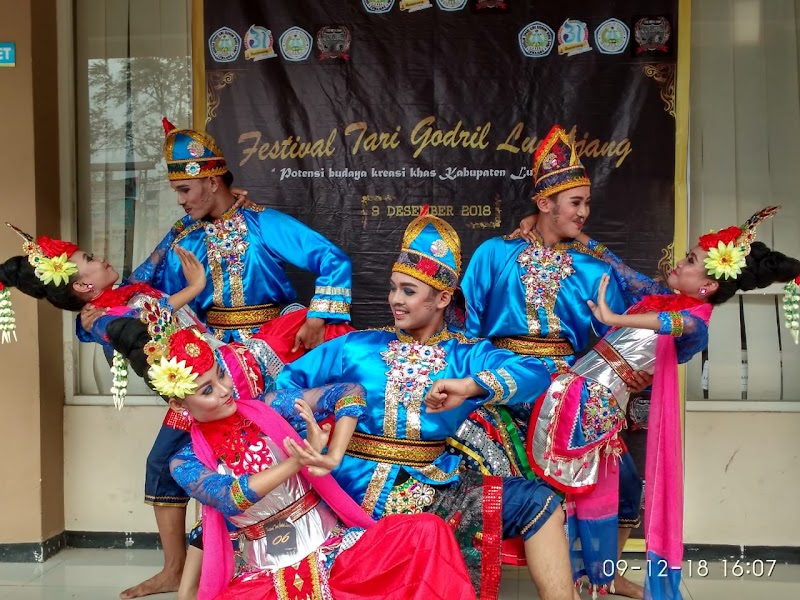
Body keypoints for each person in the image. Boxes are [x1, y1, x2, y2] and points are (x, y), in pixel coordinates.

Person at [277, 208, 578, 600]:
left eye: (408, 291)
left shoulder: (464, 356)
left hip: (436, 488)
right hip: (351, 487)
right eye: (393, 287)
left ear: (442, 298)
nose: (394, 301)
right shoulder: (358, 346)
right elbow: (283, 388)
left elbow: (535, 371)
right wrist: (323, 410)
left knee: (538, 502)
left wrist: (471, 386)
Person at [526, 206, 800, 599]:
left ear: (706, 286)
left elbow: (673, 326)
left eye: (690, 261)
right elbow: (617, 267)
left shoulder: (696, 324)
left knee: (613, 491)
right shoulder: (658, 297)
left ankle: (596, 577)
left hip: (593, 406)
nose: (680, 262)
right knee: (604, 490)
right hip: (581, 395)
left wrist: (614, 318)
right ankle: (587, 577)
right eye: (687, 254)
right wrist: (577, 235)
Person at [146, 323, 476, 600]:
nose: (224, 390)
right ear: (180, 405)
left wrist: (331, 453)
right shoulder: (184, 461)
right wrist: (296, 461)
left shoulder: (271, 406)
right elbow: (230, 497)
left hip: (335, 551)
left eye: (222, 376)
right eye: (207, 390)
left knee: (426, 531)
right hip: (267, 576)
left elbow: (350, 392)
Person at [456, 124, 649, 596]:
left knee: (623, 477)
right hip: (496, 377)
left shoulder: (595, 267)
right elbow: (467, 327)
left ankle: (599, 574)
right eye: (576, 203)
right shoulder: (492, 254)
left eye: (587, 202)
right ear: (544, 205)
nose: (585, 212)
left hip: (566, 389)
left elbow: (617, 338)